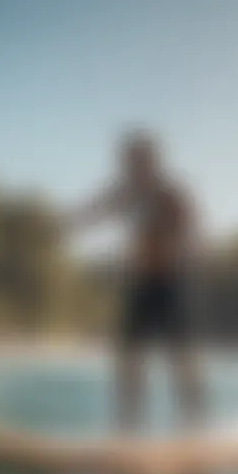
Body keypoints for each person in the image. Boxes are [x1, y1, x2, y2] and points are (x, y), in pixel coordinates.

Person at [65, 129, 205, 433]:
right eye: (126, 162)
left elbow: (193, 229)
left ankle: (195, 424)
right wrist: (67, 223)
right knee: (129, 355)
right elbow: (96, 210)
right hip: (140, 284)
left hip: (170, 283)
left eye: (134, 161)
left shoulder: (172, 193)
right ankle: (128, 426)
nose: (128, 167)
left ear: (151, 162)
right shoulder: (126, 192)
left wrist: (182, 250)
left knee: (180, 354)